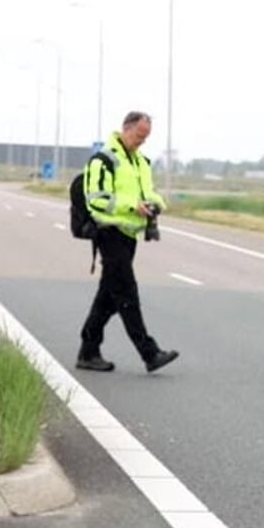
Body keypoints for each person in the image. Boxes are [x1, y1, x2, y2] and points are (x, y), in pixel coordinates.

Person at [76, 111, 180, 374]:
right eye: (139, 135)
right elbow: (96, 198)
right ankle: (149, 353)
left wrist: (157, 203)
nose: (142, 141)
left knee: (108, 298)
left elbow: (147, 192)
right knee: (127, 294)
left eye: (146, 137)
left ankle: (88, 350)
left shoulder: (141, 162)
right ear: (126, 128)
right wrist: (132, 206)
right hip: (108, 231)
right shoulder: (103, 160)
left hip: (129, 235)